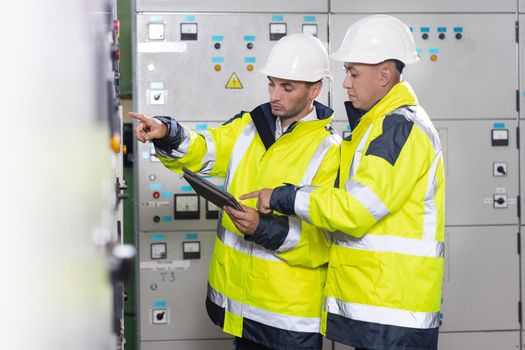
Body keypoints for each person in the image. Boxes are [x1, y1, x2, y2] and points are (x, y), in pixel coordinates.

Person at [237, 15, 445, 350]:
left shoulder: (397, 128)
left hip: (393, 309)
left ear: (385, 75)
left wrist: (283, 197)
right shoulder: (376, 126)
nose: (346, 83)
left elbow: (357, 209)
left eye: (353, 72)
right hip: (380, 304)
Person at [130, 33, 341, 350]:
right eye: (271, 84)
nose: (275, 95)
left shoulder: (330, 150)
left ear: (315, 89)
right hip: (240, 311)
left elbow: (324, 242)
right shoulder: (250, 127)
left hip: (288, 319)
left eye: (287, 87)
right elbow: (204, 149)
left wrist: (262, 228)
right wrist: (167, 132)